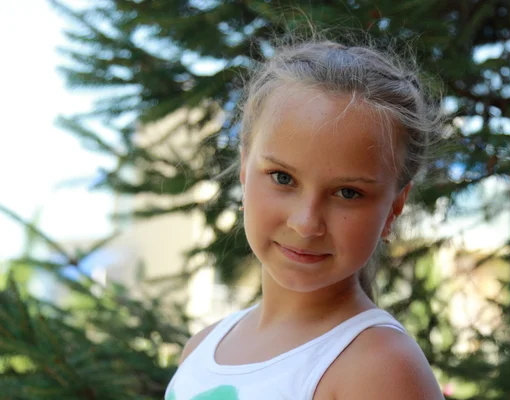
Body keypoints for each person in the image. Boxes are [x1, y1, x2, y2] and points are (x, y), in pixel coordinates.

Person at [165, 35, 446, 400]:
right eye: (283, 178)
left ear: (394, 208)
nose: (306, 222)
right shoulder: (200, 351)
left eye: (348, 193)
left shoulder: (379, 369)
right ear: (244, 172)